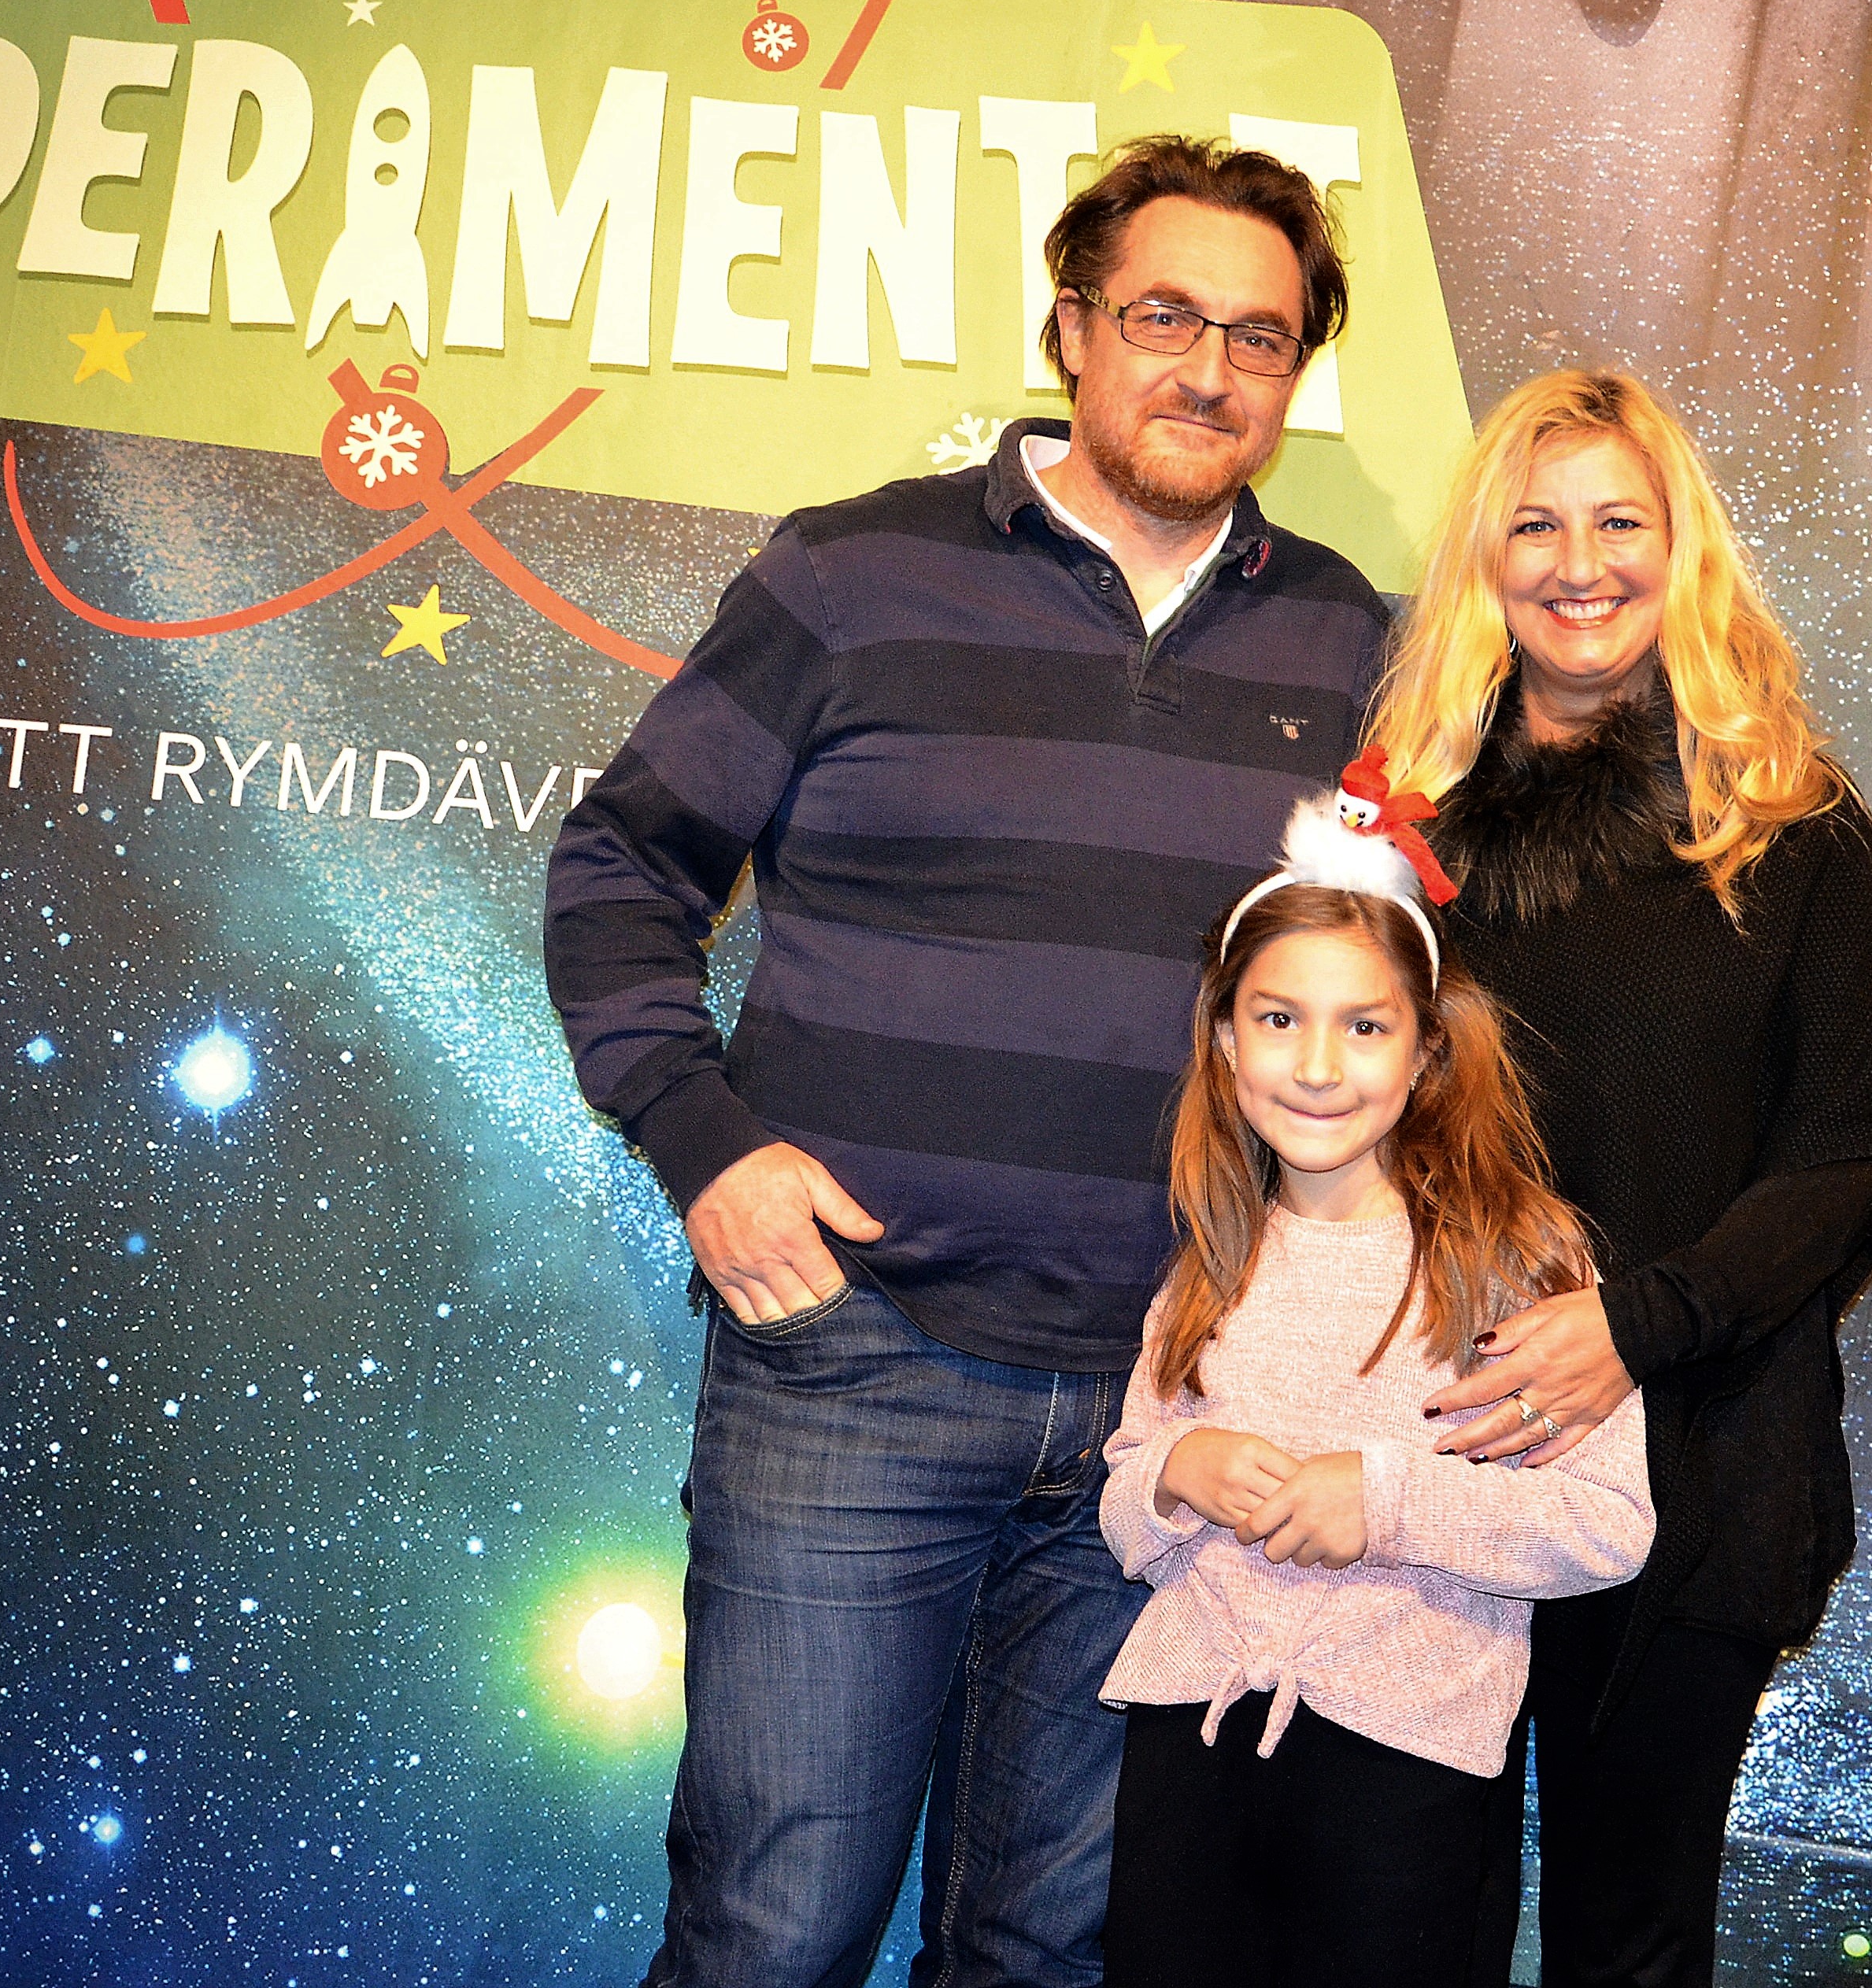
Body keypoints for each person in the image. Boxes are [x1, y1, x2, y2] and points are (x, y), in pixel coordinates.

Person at [542, 133, 1395, 1988]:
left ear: (1295, 373)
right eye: (1164, 317)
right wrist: (704, 1144)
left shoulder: (1350, 640)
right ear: (1073, 328)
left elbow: (1394, 1000)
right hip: (856, 1367)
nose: (1208, 370)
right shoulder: (854, 573)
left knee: (1045, 1952)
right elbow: (620, 871)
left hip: (1177, 1407)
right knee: (774, 1934)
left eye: (1258, 337)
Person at [1355, 370, 1872, 1986]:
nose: (1579, 563)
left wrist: (1635, 1326)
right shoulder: (1391, 834)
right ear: (1484, 561)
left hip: (1696, 1459)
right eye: (1534, 525)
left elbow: (1842, 1159)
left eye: (1617, 520)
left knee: (1627, 1946)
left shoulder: (1787, 825)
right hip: (1427, 1450)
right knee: (1398, 1927)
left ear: (1678, 546)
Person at [1093, 771, 1653, 1988]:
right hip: (1188, 1751)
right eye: (1277, 1019)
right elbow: (1127, 1498)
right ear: (1225, 1038)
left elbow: (1604, 1525)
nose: (1316, 1065)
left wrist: (1386, 1503)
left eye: (1365, 1027)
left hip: (1403, 1774)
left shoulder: (1518, 1261)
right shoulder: (1211, 1260)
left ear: (1427, 1047)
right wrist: (1180, 1472)